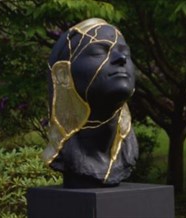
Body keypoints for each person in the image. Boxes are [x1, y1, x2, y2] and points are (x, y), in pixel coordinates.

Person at [42, 18, 138, 188]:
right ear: (63, 74)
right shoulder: (67, 158)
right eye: (98, 52)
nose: (121, 58)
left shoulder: (127, 155)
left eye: (126, 52)